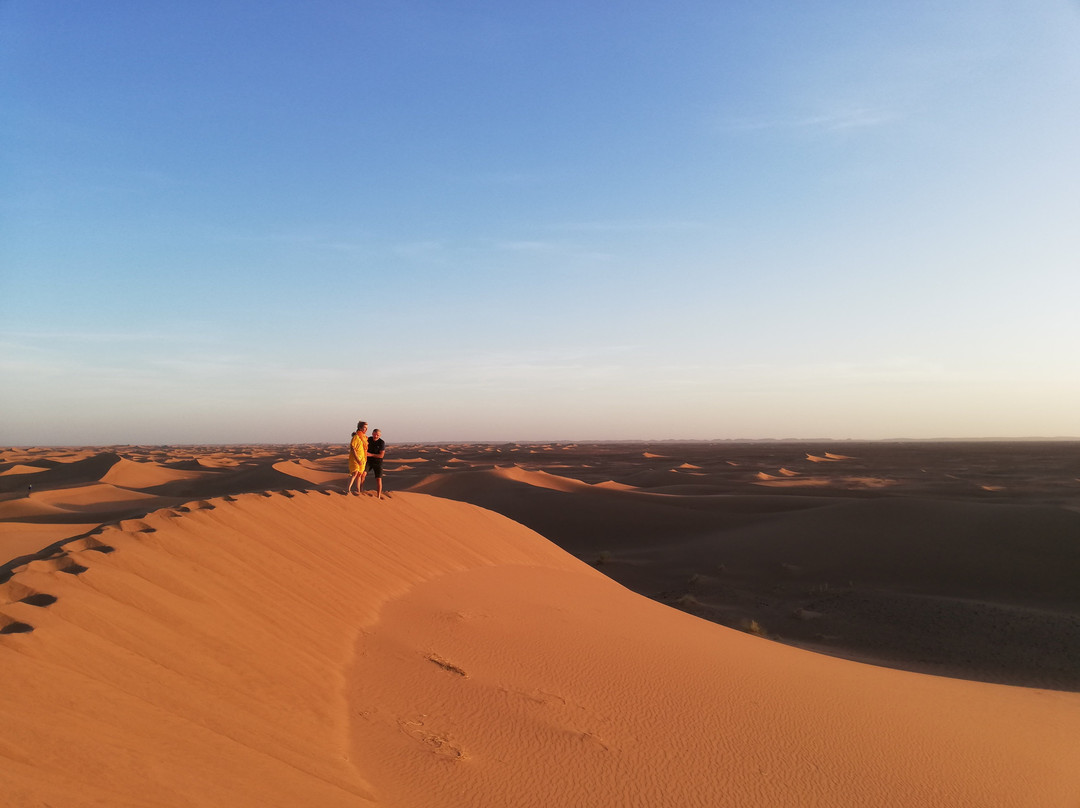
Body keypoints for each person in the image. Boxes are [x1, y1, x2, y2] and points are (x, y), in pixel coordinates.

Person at [363, 428, 386, 499]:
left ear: (380, 435)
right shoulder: (368, 439)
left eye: (378, 435)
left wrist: (371, 454)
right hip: (368, 461)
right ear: (372, 434)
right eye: (375, 434)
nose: (376, 436)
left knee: (378, 479)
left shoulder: (381, 442)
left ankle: (378, 496)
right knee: (362, 474)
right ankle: (361, 491)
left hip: (378, 462)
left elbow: (381, 455)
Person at [346, 421, 368, 495]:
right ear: (360, 428)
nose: (366, 429)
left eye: (366, 428)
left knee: (359, 474)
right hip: (355, 459)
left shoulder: (364, 438)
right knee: (354, 473)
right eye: (364, 427)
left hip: (363, 459)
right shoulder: (356, 437)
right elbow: (353, 449)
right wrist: (358, 459)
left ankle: (358, 490)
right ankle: (348, 489)